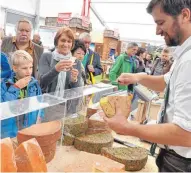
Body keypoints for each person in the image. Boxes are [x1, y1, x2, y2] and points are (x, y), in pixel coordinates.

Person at [103, 0, 191, 172]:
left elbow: (186, 134)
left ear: (185, 15)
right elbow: (166, 82)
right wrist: (137, 77)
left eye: (161, 22)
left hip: (182, 162)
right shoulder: (184, 54)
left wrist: (128, 127)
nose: (157, 31)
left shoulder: (189, 61)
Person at [1, 50, 43, 138]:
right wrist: (15, 87)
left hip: (29, 127)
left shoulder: (34, 84)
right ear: (15, 68)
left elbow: (40, 102)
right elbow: (3, 105)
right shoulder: (4, 85)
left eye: (31, 67)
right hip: (9, 131)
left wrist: (40, 117)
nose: (29, 71)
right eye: (24, 68)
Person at [39, 27, 83, 95]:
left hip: (67, 103)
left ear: (72, 44)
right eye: (63, 40)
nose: (66, 44)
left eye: (69, 41)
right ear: (56, 42)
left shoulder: (76, 62)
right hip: (48, 102)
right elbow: (42, 83)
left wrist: (74, 80)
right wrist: (56, 69)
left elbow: (77, 90)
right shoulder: (47, 56)